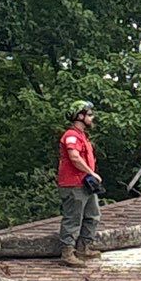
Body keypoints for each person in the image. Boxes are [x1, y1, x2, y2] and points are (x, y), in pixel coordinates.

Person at [57, 98, 104, 267]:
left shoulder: (82, 136)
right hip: (73, 184)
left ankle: (83, 247)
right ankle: (67, 252)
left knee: (93, 215)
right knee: (73, 218)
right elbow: (74, 157)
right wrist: (91, 172)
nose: (92, 118)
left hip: (85, 184)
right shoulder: (71, 136)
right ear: (80, 116)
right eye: (89, 115)